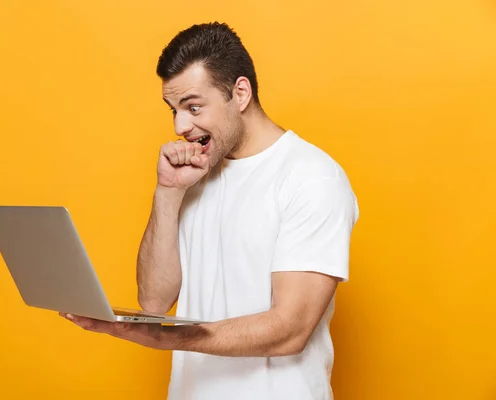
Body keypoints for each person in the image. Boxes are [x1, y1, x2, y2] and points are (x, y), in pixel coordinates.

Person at [61, 21, 360, 400]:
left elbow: (291, 329)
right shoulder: (195, 175)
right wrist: (167, 193)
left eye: (193, 107)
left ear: (240, 93)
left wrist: (167, 338)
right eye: (174, 110)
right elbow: (153, 302)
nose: (181, 125)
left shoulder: (311, 177)